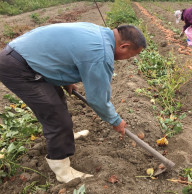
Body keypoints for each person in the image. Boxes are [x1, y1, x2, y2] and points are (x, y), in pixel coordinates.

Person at [0, 22, 146, 183]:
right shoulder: (101, 54)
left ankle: (65, 138)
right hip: (19, 67)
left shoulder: (99, 32)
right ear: (124, 46)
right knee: (57, 118)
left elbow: (66, 50)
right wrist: (115, 120)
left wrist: (64, 78)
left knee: (57, 102)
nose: (128, 59)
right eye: (131, 56)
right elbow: (97, 99)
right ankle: (62, 171)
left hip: (25, 57)